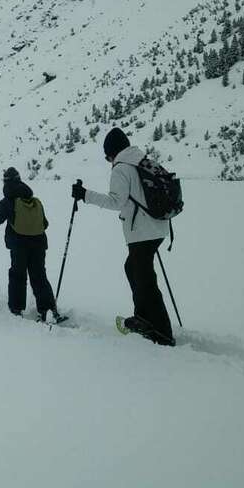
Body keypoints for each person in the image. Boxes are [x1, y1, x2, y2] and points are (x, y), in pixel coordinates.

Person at [71, 128, 174, 346]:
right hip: (158, 227)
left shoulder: (121, 168)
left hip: (141, 231)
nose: (109, 160)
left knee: (144, 279)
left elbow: (116, 201)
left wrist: (85, 195)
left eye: (108, 156)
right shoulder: (141, 160)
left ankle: (162, 332)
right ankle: (144, 317)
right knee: (134, 269)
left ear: (112, 152)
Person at [0, 167, 59, 322]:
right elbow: (45, 224)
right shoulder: (34, 200)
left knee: (18, 275)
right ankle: (48, 308)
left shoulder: (8, 201)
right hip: (39, 244)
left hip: (19, 245)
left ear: (6, 182)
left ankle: (16, 308)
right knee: (39, 276)